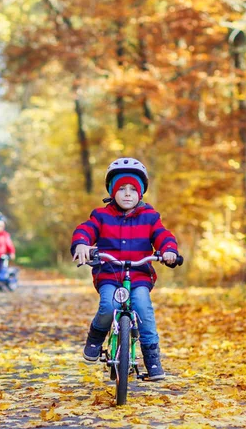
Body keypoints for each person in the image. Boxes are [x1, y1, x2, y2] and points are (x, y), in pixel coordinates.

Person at [71, 157, 179, 381]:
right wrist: (82, 243)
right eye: (121, 188)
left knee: (143, 308)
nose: (127, 194)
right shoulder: (101, 216)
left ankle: (152, 359)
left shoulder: (150, 217)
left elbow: (163, 235)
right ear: (112, 192)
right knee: (108, 305)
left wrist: (169, 250)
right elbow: (86, 229)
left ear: (140, 194)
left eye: (133, 189)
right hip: (109, 272)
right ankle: (95, 337)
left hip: (139, 275)